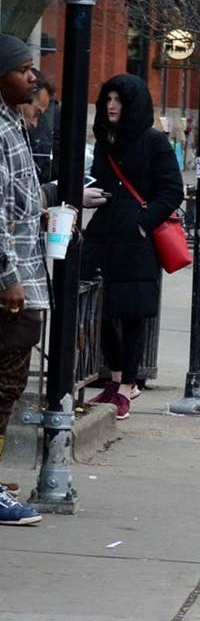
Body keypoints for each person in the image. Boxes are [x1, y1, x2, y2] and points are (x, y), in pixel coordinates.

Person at [0, 35, 105, 525]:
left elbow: (16, 200)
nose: (33, 77)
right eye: (23, 69)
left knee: (10, 386)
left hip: (26, 275)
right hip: (12, 283)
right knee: (3, 387)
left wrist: (41, 210)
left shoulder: (14, 124)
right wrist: (8, 277)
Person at [82, 74, 183, 422]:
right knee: (103, 308)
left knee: (132, 313)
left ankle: (128, 383)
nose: (111, 105)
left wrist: (143, 222)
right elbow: (98, 179)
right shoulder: (106, 142)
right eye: (107, 98)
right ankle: (112, 377)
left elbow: (172, 190)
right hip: (105, 235)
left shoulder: (154, 142)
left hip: (136, 241)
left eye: (119, 100)